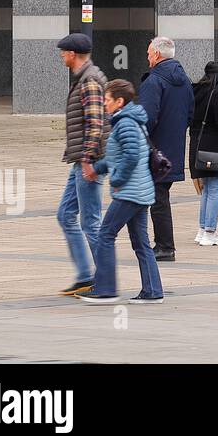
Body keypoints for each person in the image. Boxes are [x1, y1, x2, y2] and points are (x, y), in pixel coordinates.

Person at [77, 80, 163, 305]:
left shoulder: (125, 123)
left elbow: (132, 156)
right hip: (140, 191)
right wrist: (97, 169)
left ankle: (105, 289)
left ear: (119, 101)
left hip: (129, 192)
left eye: (107, 100)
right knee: (141, 242)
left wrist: (116, 179)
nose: (104, 104)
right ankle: (153, 291)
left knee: (105, 235)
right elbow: (117, 156)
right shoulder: (130, 120)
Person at [55, 33, 107, 296]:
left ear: (73, 54)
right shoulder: (84, 79)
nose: (62, 56)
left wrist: (87, 159)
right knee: (65, 215)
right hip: (79, 161)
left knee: (91, 223)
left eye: (63, 52)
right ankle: (86, 275)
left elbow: (96, 124)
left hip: (88, 162)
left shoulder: (89, 82)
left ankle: (103, 278)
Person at [138, 36, 194, 262]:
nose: (148, 56)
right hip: (174, 147)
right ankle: (162, 244)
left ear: (157, 55)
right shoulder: (184, 80)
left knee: (157, 199)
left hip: (155, 149)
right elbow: (190, 113)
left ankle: (164, 246)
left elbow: (146, 118)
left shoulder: (154, 81)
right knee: (161, 196)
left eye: (149, 53)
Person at [189, 61, 218, 247]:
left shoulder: (196, 92)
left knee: (207, 190)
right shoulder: (217, 95)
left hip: (198, 145)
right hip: (216, 147)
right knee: (215, 190)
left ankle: (202, 229)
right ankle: (210, 231)